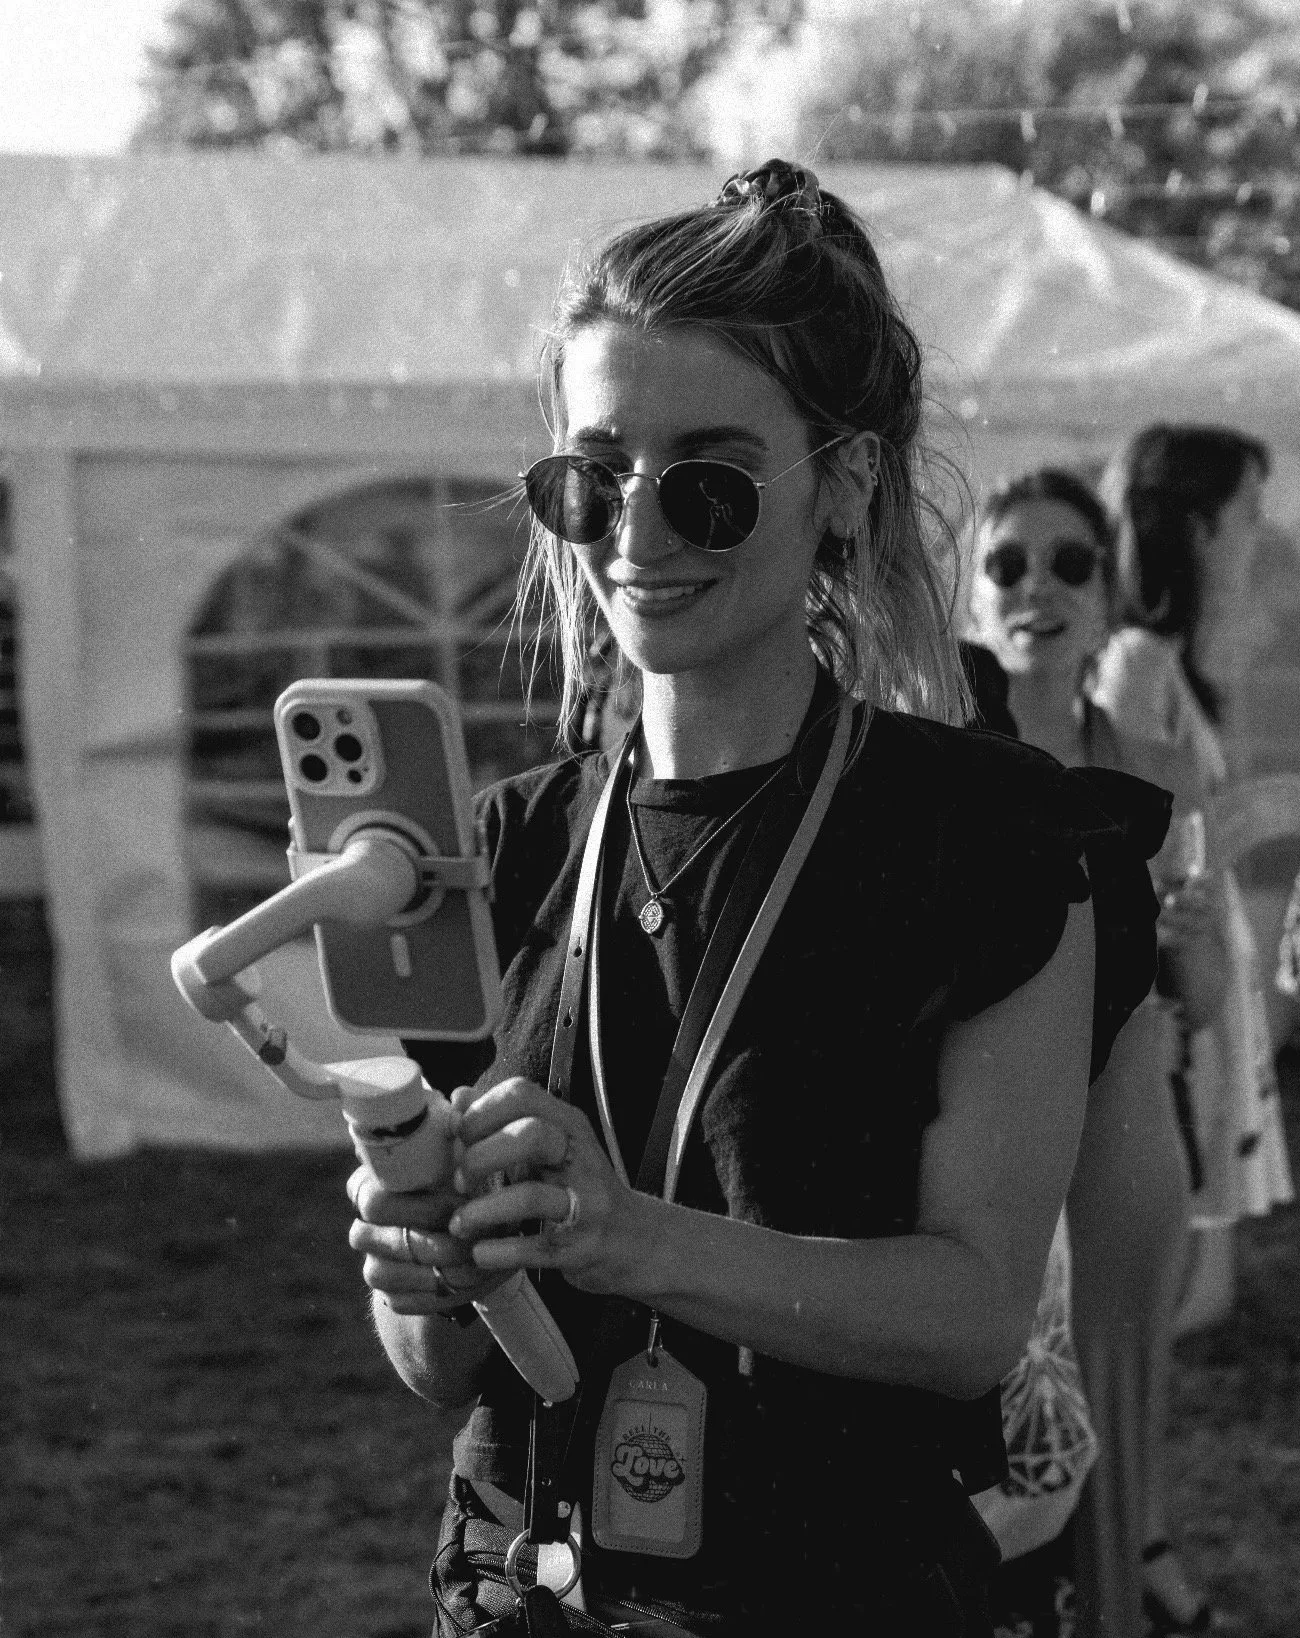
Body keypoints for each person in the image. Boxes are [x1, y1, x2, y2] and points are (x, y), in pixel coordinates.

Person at [345, 162, 1166, 1638]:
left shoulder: (989, 841)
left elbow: (976, 1313)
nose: (638, 533)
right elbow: (434, 1364)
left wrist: (625, 1236)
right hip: (525, 1588)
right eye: (592, 478)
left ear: (843, 483)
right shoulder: (505, 850)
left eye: (709, 479)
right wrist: (427, 1258)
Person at [963, 468, 1229, 1638]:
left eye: (1071, 562)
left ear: (1109, 592)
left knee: (1111, 1431)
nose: (1038, 587)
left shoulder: (1162, 771)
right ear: (971, 599)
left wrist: (1183, 941)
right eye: (1007, 564)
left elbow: (1211, 1002)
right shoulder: (931, 759)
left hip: (1122, 1143)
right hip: (976, 1151)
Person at [1095, 427, 1294, 1575]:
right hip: (1167, 1008)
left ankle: (1134, 1523)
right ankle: (1116, 1523)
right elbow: (1144, 846)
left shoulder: (1172, 661)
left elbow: (1196, 829)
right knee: (1163, 1294)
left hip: (1207, 995)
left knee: (1192, 1288)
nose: (1261, 532)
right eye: (1252, 507)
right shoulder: (1131, 666)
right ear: (1201, 523)